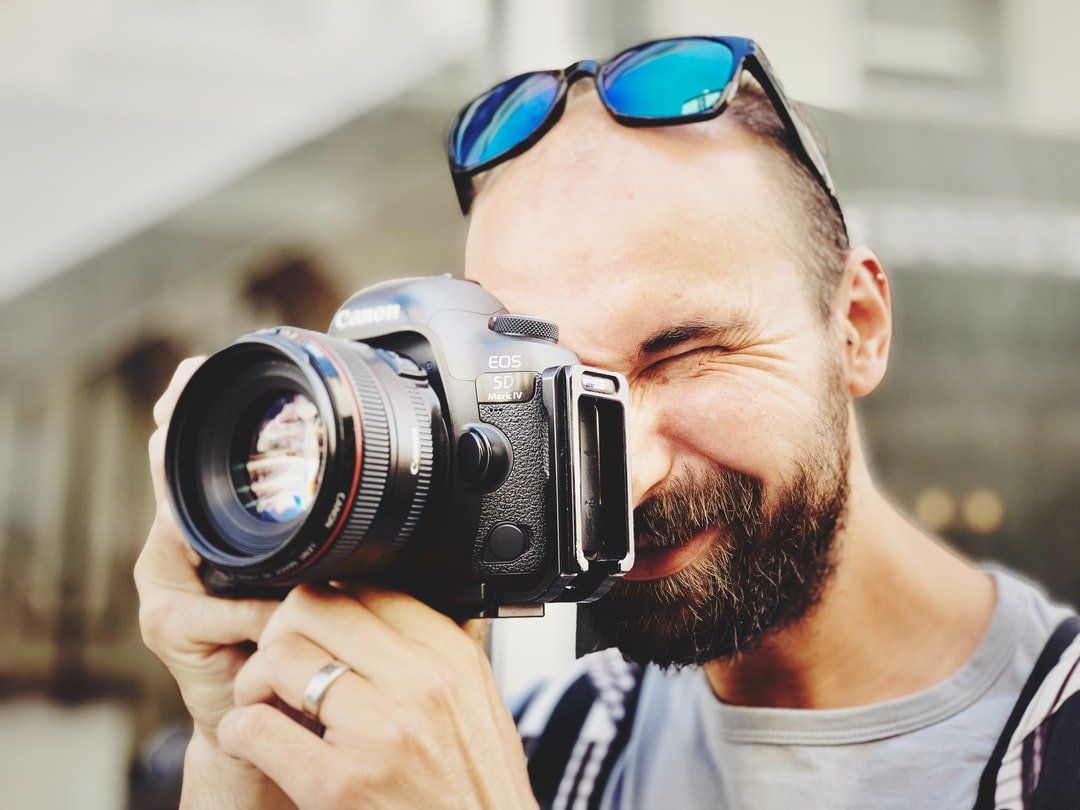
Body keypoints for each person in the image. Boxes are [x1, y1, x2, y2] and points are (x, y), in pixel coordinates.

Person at [136, 36, 1080, 808]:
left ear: (858, 329)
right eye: (549, 392)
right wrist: (251, 745)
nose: (620, 477)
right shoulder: (538, 744)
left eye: (683, 354)